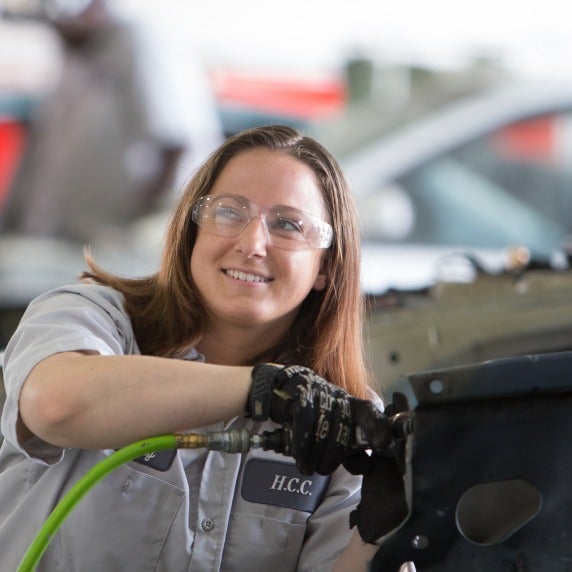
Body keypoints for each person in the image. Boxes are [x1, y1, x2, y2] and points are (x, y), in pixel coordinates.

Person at [0, 125, 406, 571]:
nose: (252, 244)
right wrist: (263, 388)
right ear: (193, 231)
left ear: (326, 266)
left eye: (287, 225)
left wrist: (379, 534)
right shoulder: (92, 317)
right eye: (230, 212)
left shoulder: (339, 418)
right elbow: (56, 405)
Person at [0, 0, 223, 243]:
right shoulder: (75, 52)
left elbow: (178, 142)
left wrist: (137, 229)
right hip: (58, 242)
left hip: (111, 242)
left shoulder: (137, 40)